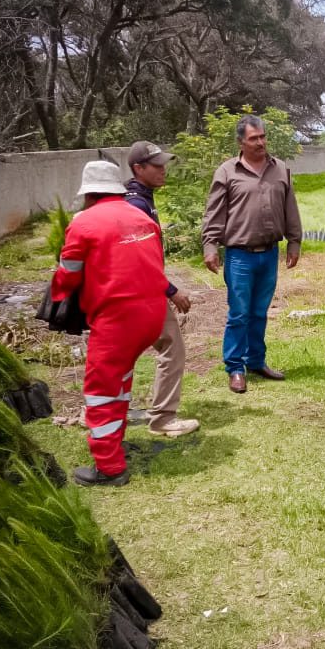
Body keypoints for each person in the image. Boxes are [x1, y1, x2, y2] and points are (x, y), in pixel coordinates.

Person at [52, 160, 170, 487]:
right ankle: (117, 442)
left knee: (101, 390)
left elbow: (69, 272)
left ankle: (109, 466)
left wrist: (58, 295)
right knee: (121, 378)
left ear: (89, 194)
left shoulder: (84, 223)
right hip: (152, 315)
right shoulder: (141, 216)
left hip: (117, 319)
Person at [201, 114, 302, 394]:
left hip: (269, 254)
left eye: (263, 137)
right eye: (254, 138)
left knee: (259, 313)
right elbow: (214, 213)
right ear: (241, 142)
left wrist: (294, 242)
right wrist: (210, 246)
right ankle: (235, 367)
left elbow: (290, 207)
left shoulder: (280, 169)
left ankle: (256, 361)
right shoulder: (227, 172)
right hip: (239, 257)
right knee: (239, 314)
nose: (261, 142)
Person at [125, 141, 199, 438]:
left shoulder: (142, 198)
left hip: (140, 291)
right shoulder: (135, 205)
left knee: (121, 353)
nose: (163, 170)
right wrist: (171, 291)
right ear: (138, 168)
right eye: (156, 166)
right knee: (172, 347)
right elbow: (138, 260)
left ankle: (94, 412)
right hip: (141, 292)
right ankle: (162, 419)